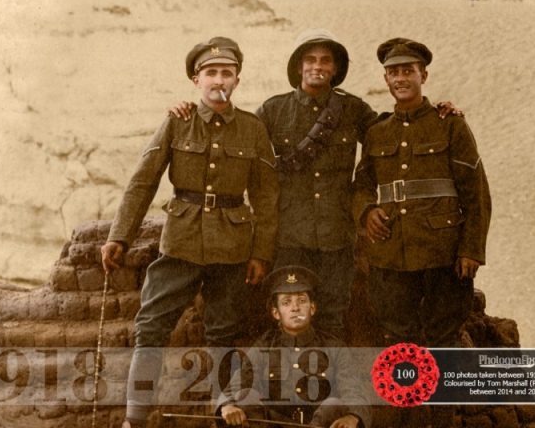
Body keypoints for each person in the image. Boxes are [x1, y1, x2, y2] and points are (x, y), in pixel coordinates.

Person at [171, 29, 460, 338]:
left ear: (335, 69)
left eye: (325, 61)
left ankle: (328, 385)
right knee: (287, 318)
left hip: (337, 238)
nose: (317, 66)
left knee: (333, 314)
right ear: (298, 67)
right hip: (289, 236)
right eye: (310, 60)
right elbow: (232, 137)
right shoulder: (273, 110)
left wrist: (436, 114)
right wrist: (190, 111)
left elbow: (392, 137)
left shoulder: (353, 110)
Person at [101, 36, 279, 428]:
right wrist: (120, 236)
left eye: (227, 73)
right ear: (196, 80)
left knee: (224, 329)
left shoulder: (252, 129)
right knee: (150, 327)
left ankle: (225, 405)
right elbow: (142, 181)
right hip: (180, 243)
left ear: (237, 80)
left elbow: (266, 197)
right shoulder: (177, 120)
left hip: (232, 248)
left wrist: (261, 253)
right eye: (211, 72)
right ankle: (136, 416)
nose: (219, 79)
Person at [353, 37, 491, 348]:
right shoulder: (377, 132)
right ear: (385, 78)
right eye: (394, 72)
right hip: (392, 256)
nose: (401, 78)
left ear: (423, 76)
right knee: (400, 337)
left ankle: (446, 397)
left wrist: (471, 249)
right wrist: (366, 210)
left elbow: (475, 191)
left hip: (441, 253)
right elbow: (361, 185)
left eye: (408, 71)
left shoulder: (450, 125)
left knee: (444, 336)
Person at [217, 265, 370, 428]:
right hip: (273, 425)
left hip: (319, 424)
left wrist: (353, 417)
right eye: (286, 302)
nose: (295, 308)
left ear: (312, 308)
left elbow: (353, 390)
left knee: (334, 404)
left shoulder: (334, 347)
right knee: (246, 397)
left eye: (302, 301)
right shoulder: (265, 346)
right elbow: (238, 385)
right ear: (276, 313)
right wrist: (227, 406)